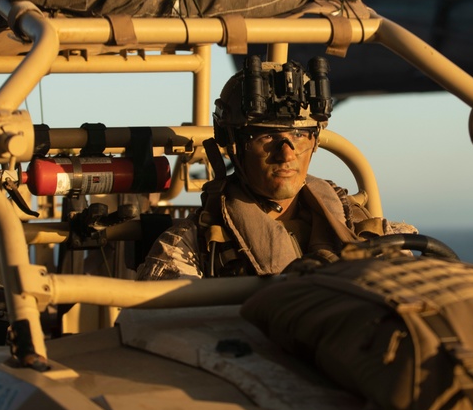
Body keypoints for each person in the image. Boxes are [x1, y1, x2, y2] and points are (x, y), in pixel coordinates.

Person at [137, 56, 416, 280]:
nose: (286, 154)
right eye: (266, 137)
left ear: (315, 141)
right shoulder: (188, 250)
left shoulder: (361, 227)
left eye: (299, 136)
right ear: (233, 145)